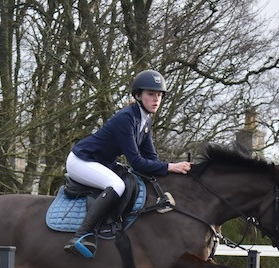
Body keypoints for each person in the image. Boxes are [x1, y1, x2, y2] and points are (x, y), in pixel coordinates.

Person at [64, 69, 192, 258]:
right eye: (151, 94)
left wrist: (174, 172)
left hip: (101, 162)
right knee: (117, 185)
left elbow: (151, 158)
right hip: (81, 161)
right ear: (138, 95)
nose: (156, 99)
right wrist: (170, 166)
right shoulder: (127, 118)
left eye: (159, 95)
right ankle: (80, 235)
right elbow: (138, 162)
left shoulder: (145, 120)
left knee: (129, 180)